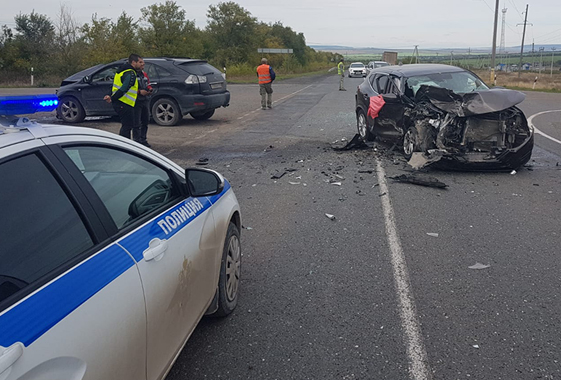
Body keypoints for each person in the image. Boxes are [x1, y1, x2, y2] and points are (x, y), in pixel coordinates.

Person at [103, 54, 143, 141]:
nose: (142, 64)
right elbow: (124, 88)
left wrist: (111, 96)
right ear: (133, 62)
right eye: (140, 62)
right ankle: (124, 145)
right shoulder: (130, 73)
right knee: (127, 126)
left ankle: (124, 144)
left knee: (127, 125)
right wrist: (112, 98)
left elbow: (114, 85)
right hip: (124, 103)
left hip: (121, 102)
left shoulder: (121, 71)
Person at [135, 60, 153, 147]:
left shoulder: (144, 74)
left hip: (145, 100)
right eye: (141, 62)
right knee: (137, 122)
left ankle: (143, 139)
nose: (143, 64)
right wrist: (139, 92)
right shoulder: (132, 74)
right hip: (136, 101)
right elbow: (129, 88)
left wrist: (149, 89)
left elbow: (148, 84)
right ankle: (137, 141)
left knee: (145, 121)